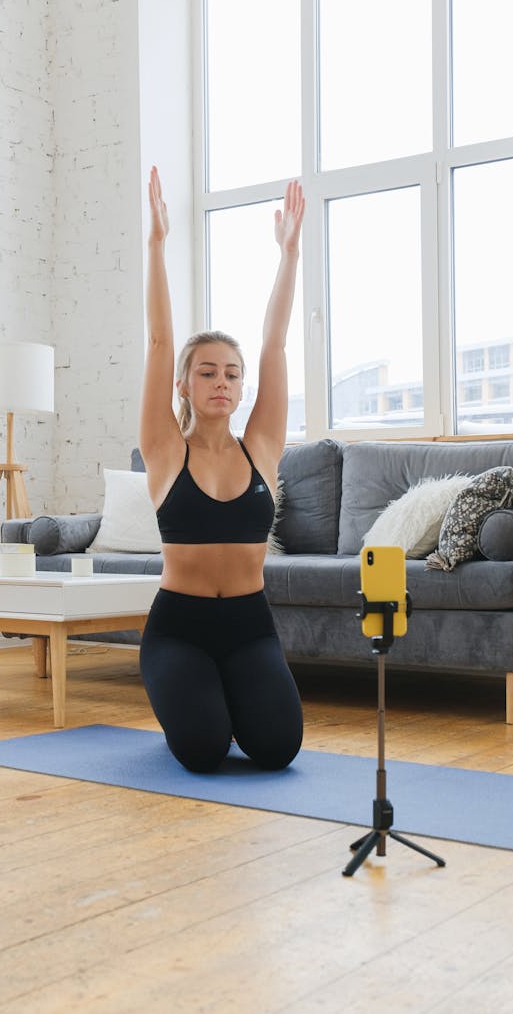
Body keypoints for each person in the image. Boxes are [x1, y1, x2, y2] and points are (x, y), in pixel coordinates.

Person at [138, 166, 305, 773]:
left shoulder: (261, 446)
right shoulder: (164, 450)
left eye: (231, 373)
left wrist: (288, 255)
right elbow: (159, 340)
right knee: (204, 751)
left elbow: (276, 342)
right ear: (185, 382)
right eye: (207, 371)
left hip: (248, 624)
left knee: (277, 748)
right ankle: (190, 699)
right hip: (177, 627)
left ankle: (226, 695)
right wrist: (156, 243)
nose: (221, 382)